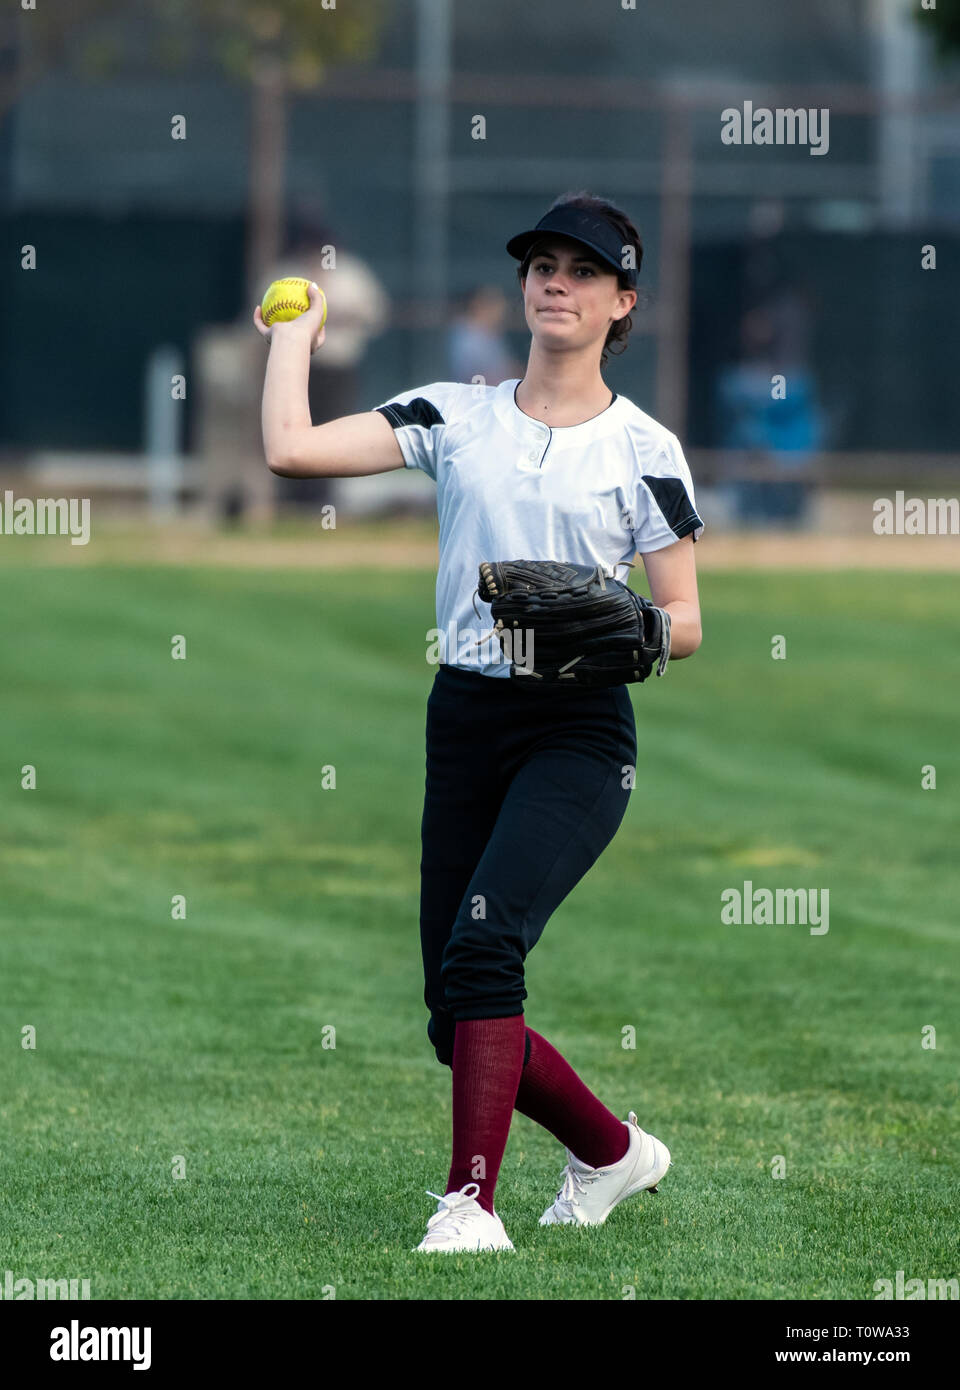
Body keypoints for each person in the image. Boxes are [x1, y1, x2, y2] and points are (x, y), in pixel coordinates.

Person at [253, 191, 704, 1253]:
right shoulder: (455, 413)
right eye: (542, 264)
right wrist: (292, 337)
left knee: (486, 948)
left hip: (579, 729)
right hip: (465, 716)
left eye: (584, 270)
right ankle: (611, 1153)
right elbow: (290, 451)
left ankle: (470, 1204)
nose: (556, 280)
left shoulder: (645, 446)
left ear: (621, 302)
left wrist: (630, 626)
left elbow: (687, 622)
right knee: (453, 1017)